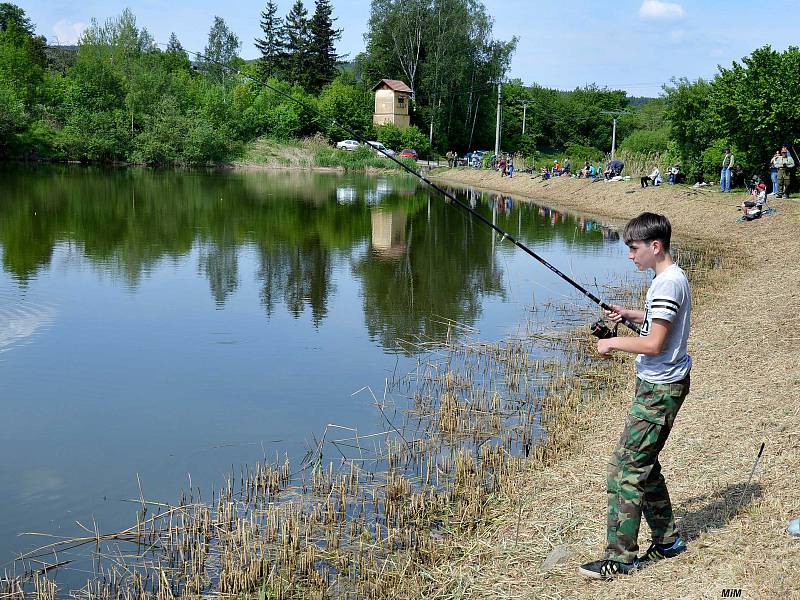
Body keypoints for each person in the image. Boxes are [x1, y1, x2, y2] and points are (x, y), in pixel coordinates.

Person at [579, 213, 692, 580]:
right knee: (645, 464)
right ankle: (668, 541)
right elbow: (659, 323)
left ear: (654, 246)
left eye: (634, 248)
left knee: (624, 469)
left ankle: (621, 557)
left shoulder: (667, 284)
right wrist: (629, 314)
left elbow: (655, 343)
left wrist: (612, 341)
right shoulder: (668, 279)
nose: (630, 255)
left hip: (660, 391)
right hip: (661, 385)